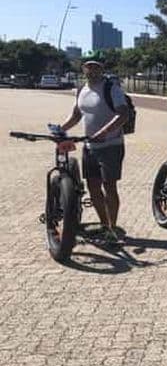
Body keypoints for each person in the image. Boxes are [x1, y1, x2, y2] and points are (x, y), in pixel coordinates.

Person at [58, 51, 130, 245]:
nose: (92, 70)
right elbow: (76, 115)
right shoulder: (82, 89)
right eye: (89, 66)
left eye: (96, 66)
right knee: (93, 186)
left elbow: (123, 114)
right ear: (83, 68)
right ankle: (104, 224)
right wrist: (60, 129)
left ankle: (112, 229)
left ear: (102, 69)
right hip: (89, 145)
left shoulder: (111, 88)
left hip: (111, 145)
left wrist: (105, 132)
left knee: (109, 186)